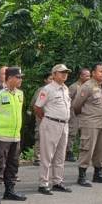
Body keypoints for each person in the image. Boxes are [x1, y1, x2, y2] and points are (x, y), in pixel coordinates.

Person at [0, 66, 28, 204]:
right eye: (18, 77)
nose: (20, 80)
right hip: (0, 136)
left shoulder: (20, 94)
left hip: (15, 136)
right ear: (9, 78)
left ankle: (10, 190)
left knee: (13, 164)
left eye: (21, 77)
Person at [34, 64, 73, 195]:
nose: (65, 74)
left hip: (64, 124)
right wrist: (48, 119)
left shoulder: (65, 88)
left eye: (66, 72)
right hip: (51, 123)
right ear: (54, 74)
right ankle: (43, 183)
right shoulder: (47, 89)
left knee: (60, 156)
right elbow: (38, 107)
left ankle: (57, 181)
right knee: (47, 155)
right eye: (62, 72)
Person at [72, 63, 102, 187]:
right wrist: (85, 117)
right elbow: (76, 105)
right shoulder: (87, 86)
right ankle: (82, 176)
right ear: (94, 73)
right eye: (100, 71)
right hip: (90, 123)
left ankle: (98, 174)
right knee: (87, 149)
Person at [66, 68, 90, 161]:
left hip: (85, 113)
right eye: (86, 75)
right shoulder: (74, 87)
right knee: (72, 133)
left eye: (89, 76)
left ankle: (82, 153)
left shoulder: (88, 86)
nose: (88, 77)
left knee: (84, 134)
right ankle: (69, 152)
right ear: (81, 76)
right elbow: (67, 100)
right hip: (74, 113)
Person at [30, 72, 53, 166]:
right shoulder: (41, 90)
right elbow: (34, 104)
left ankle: (48, 157)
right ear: (45, 80)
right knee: (40, 136)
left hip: (53, 117)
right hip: (41, 116)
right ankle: (37, 158)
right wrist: (40, 115)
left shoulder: (58, 90)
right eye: (50, 79)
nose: (52, 81)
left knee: (51, 137)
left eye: (53, 79)